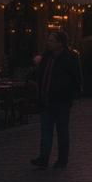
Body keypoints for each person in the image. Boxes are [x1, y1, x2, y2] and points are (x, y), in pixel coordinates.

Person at [27, 30, 82, 170]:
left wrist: (69, 95)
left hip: (61, 100)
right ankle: (43, 157)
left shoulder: (70, 58)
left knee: (62, 130)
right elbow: (40, 75)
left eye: (51, 40)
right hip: (46, 99)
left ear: (60, 43)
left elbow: (76, 79)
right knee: (46, 129)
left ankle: (62, 159)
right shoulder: (47, 57)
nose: (48, 43)